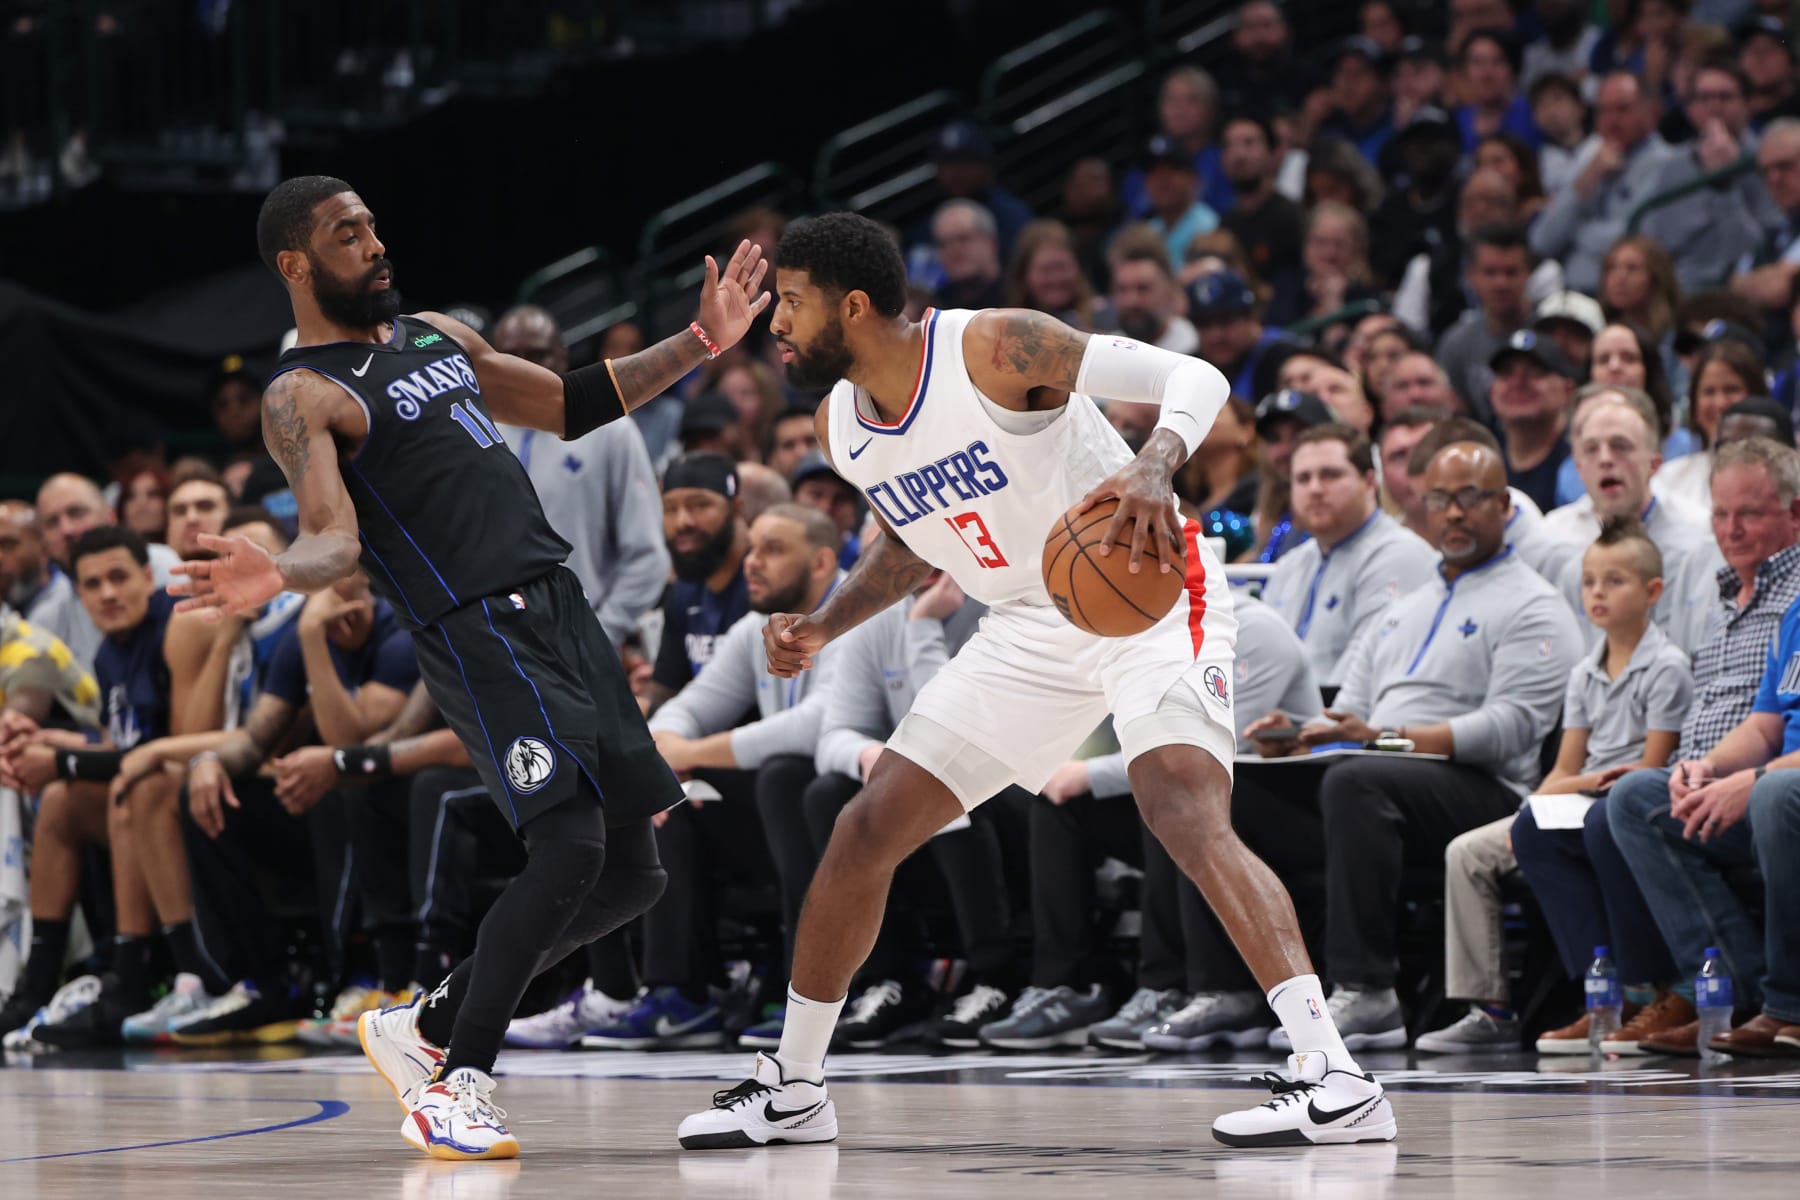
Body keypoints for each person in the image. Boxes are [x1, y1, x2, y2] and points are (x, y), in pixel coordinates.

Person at [678, 211, 1398, 1151]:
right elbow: (909, 543)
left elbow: (1197, 378)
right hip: (1026, 625)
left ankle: (1333, 1075)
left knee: (1178, 800)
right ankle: (797, 1086)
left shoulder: (991, 346)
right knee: (866, 827)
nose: (775, 324)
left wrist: (1152, 465)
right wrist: (823, 624)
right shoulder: (840, 426)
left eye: (794, 303)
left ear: (854, 307)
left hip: (1144, 578)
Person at [171, 175, 768, 1159]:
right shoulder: (302, 393)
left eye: (371, 224)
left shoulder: (439, 335)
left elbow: (574, 404)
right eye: (345, 233)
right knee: (570, 848)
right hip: (476, 626)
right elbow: (331, 538)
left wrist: (702, 342)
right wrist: (275, 570)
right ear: (296, 263)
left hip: (561, 605)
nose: (372, 242)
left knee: (632, 874)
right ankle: (456, 1083)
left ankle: (423, 1025)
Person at [1244, 441, 1582, 1049]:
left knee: (1357, 780)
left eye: (1470, 498)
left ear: (1504, 506)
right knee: (1231, 792)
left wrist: (1381, 739)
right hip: (1383, 774)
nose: (1453, 513)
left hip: (1488, 790)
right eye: (1439, 499)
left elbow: (1511, 728)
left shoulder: (1535, 604)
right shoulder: (1405, 607)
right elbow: (1351, 708)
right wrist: (1300, 737)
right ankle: (1227, 994)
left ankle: (1368, 991)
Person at [1416, 516, 1691, 1053]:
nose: (1597, 593)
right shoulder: (1583, 674)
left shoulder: (1668, 668)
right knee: (1471, 850)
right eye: (1590, 581)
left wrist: (1571, 788)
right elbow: (1563, 771)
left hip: (1624, 805)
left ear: (1653, 591)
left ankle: (1630, 993)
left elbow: (1647, 768)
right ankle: (1503, 1006)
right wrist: (1563, 790)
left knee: (1584, 826)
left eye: (1615, 581)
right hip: (1580, 796)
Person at [1607, 437, 1800, 1054]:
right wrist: (1706, 765)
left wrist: (1758, 777)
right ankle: (1727, 991)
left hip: (1785, 794)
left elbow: (1772, 760)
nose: (1732, 529)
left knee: (1774, 795)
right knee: (1641, 794)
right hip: (1780, 789)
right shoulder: (1794, 613)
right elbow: (1767, 720)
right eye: (1721, 514)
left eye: (1749, 513)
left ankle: (1789, 1006)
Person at [487, 305, 670, 647]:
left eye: (538, 354)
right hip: (498, 640)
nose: (525, 366)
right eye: (512, 356)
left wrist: (602, 632)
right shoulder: (475, 429)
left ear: (562, 355)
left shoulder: (611, 429)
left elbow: (648, 554)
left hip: (582, 632)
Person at [1259, 425, 1436, 686]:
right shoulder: (1290, 565)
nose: (1315, 489)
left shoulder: (1399, 554)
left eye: (1330, 475)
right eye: (1303, 479)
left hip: (1349, 719)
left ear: (1369, 481)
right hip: (1281, 719)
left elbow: (1366, 670)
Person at [1642, 60, 1783, 292]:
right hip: (1678, 289)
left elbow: (1755, 252)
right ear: (1689, 109)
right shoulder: (1671, 166)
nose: (1714, 106)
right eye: (1703, 98)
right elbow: (1657, 243)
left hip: (1741, 292)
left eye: (1725, 97)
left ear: (1748, 104)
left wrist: (1724, 183)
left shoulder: (1770, 162)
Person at [1531, 72, 1678, 294]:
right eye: (1603, 110)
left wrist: (1576, 233)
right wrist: (1584, 182)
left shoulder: (1669, 165)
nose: (1611, 120)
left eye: (1622, 109)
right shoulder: (1592, 161)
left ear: (1652, 112)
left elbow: (1640, 237)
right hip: (1572, 293)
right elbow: (1542, 240)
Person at [1434, 224, 1537, 419]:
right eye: (1490, 272)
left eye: (1511, 272)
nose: (1501, 283)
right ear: (1470, 276)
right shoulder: (1456, 344)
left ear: (1528, 273)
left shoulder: (1552, 331)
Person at [1488, 328, 1580, 512]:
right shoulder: (1485, 465)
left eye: (1536, 373)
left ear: (1568, 390)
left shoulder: (1581, 465)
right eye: (1506, 374)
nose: (1518, 383)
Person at [1219, 114, 1306, 283]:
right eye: (1229, 145)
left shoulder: (1292, 218)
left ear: (1273, 153)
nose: (1239, 154)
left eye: (1249, 143)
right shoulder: (1226, 223)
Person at [1106, 230, 1200, 354]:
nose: (1131, 301)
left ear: (1169, 290)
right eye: (1122, 290)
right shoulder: (1108, 352)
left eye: (1143, 288)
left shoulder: (1197, 348)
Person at [930, 200, 1006, 312]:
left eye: (963, 238)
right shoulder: (936, 307)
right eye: (944, 244)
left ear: (991, 243)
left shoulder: (1021, 294)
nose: (954, 250)